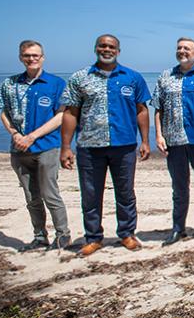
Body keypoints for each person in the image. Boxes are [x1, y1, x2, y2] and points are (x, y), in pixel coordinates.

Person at [60, 34, 151, 256]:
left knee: (126, 192)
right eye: (103, 46)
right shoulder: (80, 78)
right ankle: (93, 237)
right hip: (90, 146)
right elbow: (71, 112)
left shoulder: (132, 77)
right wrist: (65, 146)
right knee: (90, 194)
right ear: (95, 48)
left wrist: (145, 140)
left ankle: (127, 233)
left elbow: (142, 110)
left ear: (118, 50)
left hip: (124, 144)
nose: (107, 49)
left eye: (111, 46)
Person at [0, 40, 71, 251]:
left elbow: (61, 115)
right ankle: (39, 236)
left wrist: (32, 136)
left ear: (42, 57)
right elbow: (3, 112)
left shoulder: (56, 83)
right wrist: (15, 133)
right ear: (21, 57)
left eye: (35, 55)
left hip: (47, 146)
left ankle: (63, 236)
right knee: (31, 197)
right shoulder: (10, 83)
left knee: (50, 193)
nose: (31, 58)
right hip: (19, 149)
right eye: (27, 55)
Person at [152, 37, 194, 245]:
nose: (182, 51)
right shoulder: (166, 76)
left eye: (187, 48)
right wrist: (158, 135)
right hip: (173, 141)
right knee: (179, 187)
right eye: (179, 48)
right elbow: (158, 108)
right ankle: (178, 228)